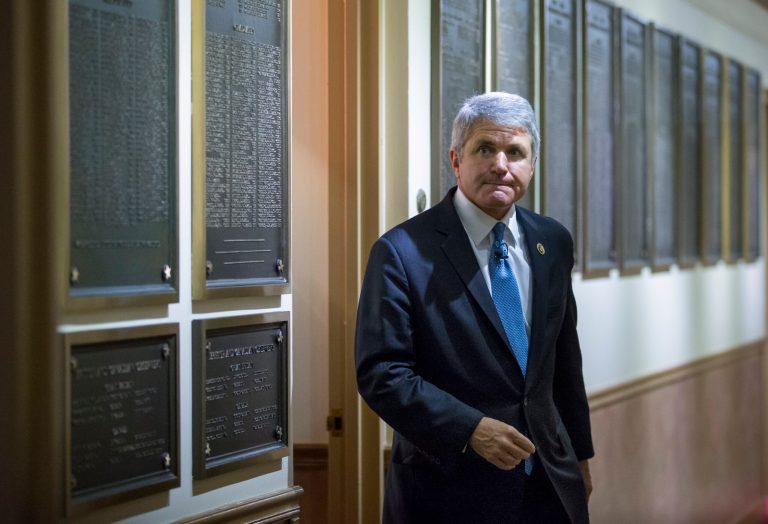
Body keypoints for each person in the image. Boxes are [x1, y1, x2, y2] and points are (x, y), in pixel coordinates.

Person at [355, 92, 594, 523]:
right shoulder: (401, 252)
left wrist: (578, 458)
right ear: (456, 159)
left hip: (548, 485)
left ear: (532, 165)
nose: (500, 164)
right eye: (485, 148)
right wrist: (469, 430)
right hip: (448, 489)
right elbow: (382, 373)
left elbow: (563, 361)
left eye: (515, 152)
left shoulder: (552, 242)